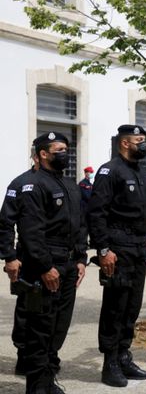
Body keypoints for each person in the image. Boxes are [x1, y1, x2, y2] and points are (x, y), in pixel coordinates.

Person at [16, 132, 87, 393]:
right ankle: (36, 386)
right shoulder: (33, 185)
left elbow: (80, 225)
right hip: (46, 265)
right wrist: (46, 267)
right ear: (43, 154)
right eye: (58, 149)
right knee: (40, 329)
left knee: (59, 326)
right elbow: (31, 232)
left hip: (68, 266)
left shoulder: (70, 185)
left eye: (66, 149)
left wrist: (81, 258)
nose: (64, 153)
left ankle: (47, 379)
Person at [87, 124, 146, 387]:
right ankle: (110, 362)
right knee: (116, 306)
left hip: (138, 249)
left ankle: (124, 354)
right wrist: (103, 250)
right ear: (125, 143)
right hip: (118, 247)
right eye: (139, 140)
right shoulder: (110, 171)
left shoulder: (144, 174)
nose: (144, 145)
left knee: (132, 306)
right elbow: (97, 213)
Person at [0, 147, 39, 376]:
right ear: (37, 156)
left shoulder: (62, 183)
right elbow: (5, 223)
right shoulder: (20, 183)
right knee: (26, 309)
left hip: (56, 258)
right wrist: (9, 256)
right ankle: (24, 355)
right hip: (27, 259)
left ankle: (45, 356)